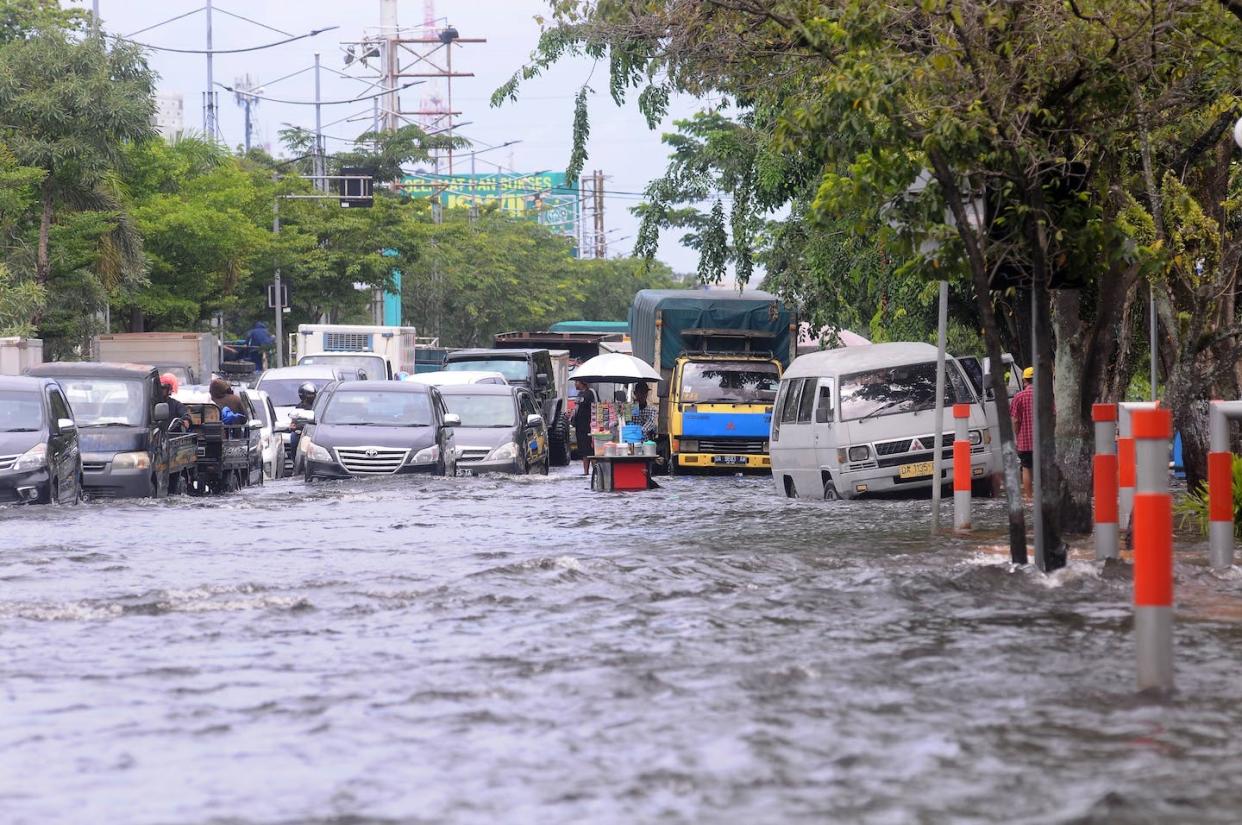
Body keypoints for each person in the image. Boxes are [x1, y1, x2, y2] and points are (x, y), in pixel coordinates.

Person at [1009, 366, 1035, 497]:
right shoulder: (1045, 395)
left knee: (1026, 468)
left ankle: (1029, 498)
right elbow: (1052, 416)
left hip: (1025, 442)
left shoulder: (1018, 397)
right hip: (1042, 441)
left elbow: (1015, 420)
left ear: (1025, 380)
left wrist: (1017, 436)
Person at [572, 378, 596, 475]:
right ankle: (585, 471)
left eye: (577, 382)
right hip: (579, 426)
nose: (575, 384)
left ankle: (593, 470)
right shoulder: (579, 395)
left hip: (587, 426)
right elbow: (577, 409)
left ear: (583, 383)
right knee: (583, 451)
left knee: (589, 450)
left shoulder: (589, 394)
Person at [288, 382, 318, 456]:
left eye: (310, 394)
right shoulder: (299, 407)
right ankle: (294, 459)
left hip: (315, 432)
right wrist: (293, 426)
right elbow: (294, 421)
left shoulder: (318, 406)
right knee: (294, 437)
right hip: (302, 432)